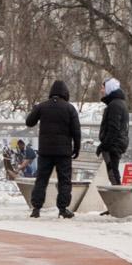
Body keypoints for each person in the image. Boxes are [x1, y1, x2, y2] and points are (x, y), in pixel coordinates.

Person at [23, 79, 82, 218]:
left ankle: (36, 208)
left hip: (45, 151)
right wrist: (77, 147)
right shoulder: (69, 108)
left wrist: (35, 109)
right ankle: (62, 209)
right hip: (64, 152)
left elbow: (29, 122)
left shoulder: (42, 106)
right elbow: (76, 130)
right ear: (65, 93)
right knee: (64, 180)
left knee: (42, 179)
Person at [95, 77, 130, 192]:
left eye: (103, 87)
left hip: (113, 145)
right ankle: (119, 202)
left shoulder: (114, 105)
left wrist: (104, 145)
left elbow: (113, 129)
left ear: (109, 88)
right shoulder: (118, 103)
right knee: (113, 172)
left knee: (113, 173)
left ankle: (120, 203)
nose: (101, 90)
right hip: (117, 143)